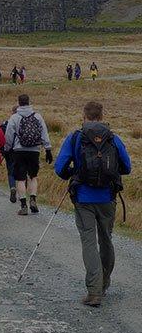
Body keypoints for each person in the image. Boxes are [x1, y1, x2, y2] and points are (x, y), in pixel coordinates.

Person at [54, 101, 131, 307]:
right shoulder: (113, 138)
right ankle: (104, 284)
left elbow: (59, 168)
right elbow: (127, 167)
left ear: (84, 116)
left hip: (83, 199)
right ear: (102, 115)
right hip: (108, 198)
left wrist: (75, 174)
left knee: (89, 242)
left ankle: (94, 291)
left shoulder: (75, 138)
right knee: (106, 239)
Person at [4, 94, 53, 216]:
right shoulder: (37, 116)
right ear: (29, 102)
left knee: (20, 179)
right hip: (34, 150)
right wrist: (48, 149)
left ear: (19, 103)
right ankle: (33, 199)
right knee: (33, 176)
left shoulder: (14, 117)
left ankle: (23, 205)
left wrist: (7, 148)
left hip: (19, 150)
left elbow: (9, 135)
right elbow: (44, 133)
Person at [0, 106, 19, 203]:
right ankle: (23, 192)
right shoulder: (24, 121)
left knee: (11, 171)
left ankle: (12, 187)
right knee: (22, 171)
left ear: (12, 112)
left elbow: (2, 138)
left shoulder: (6, 123)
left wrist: (3, 151)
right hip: (22, 150)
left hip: (9, 151)